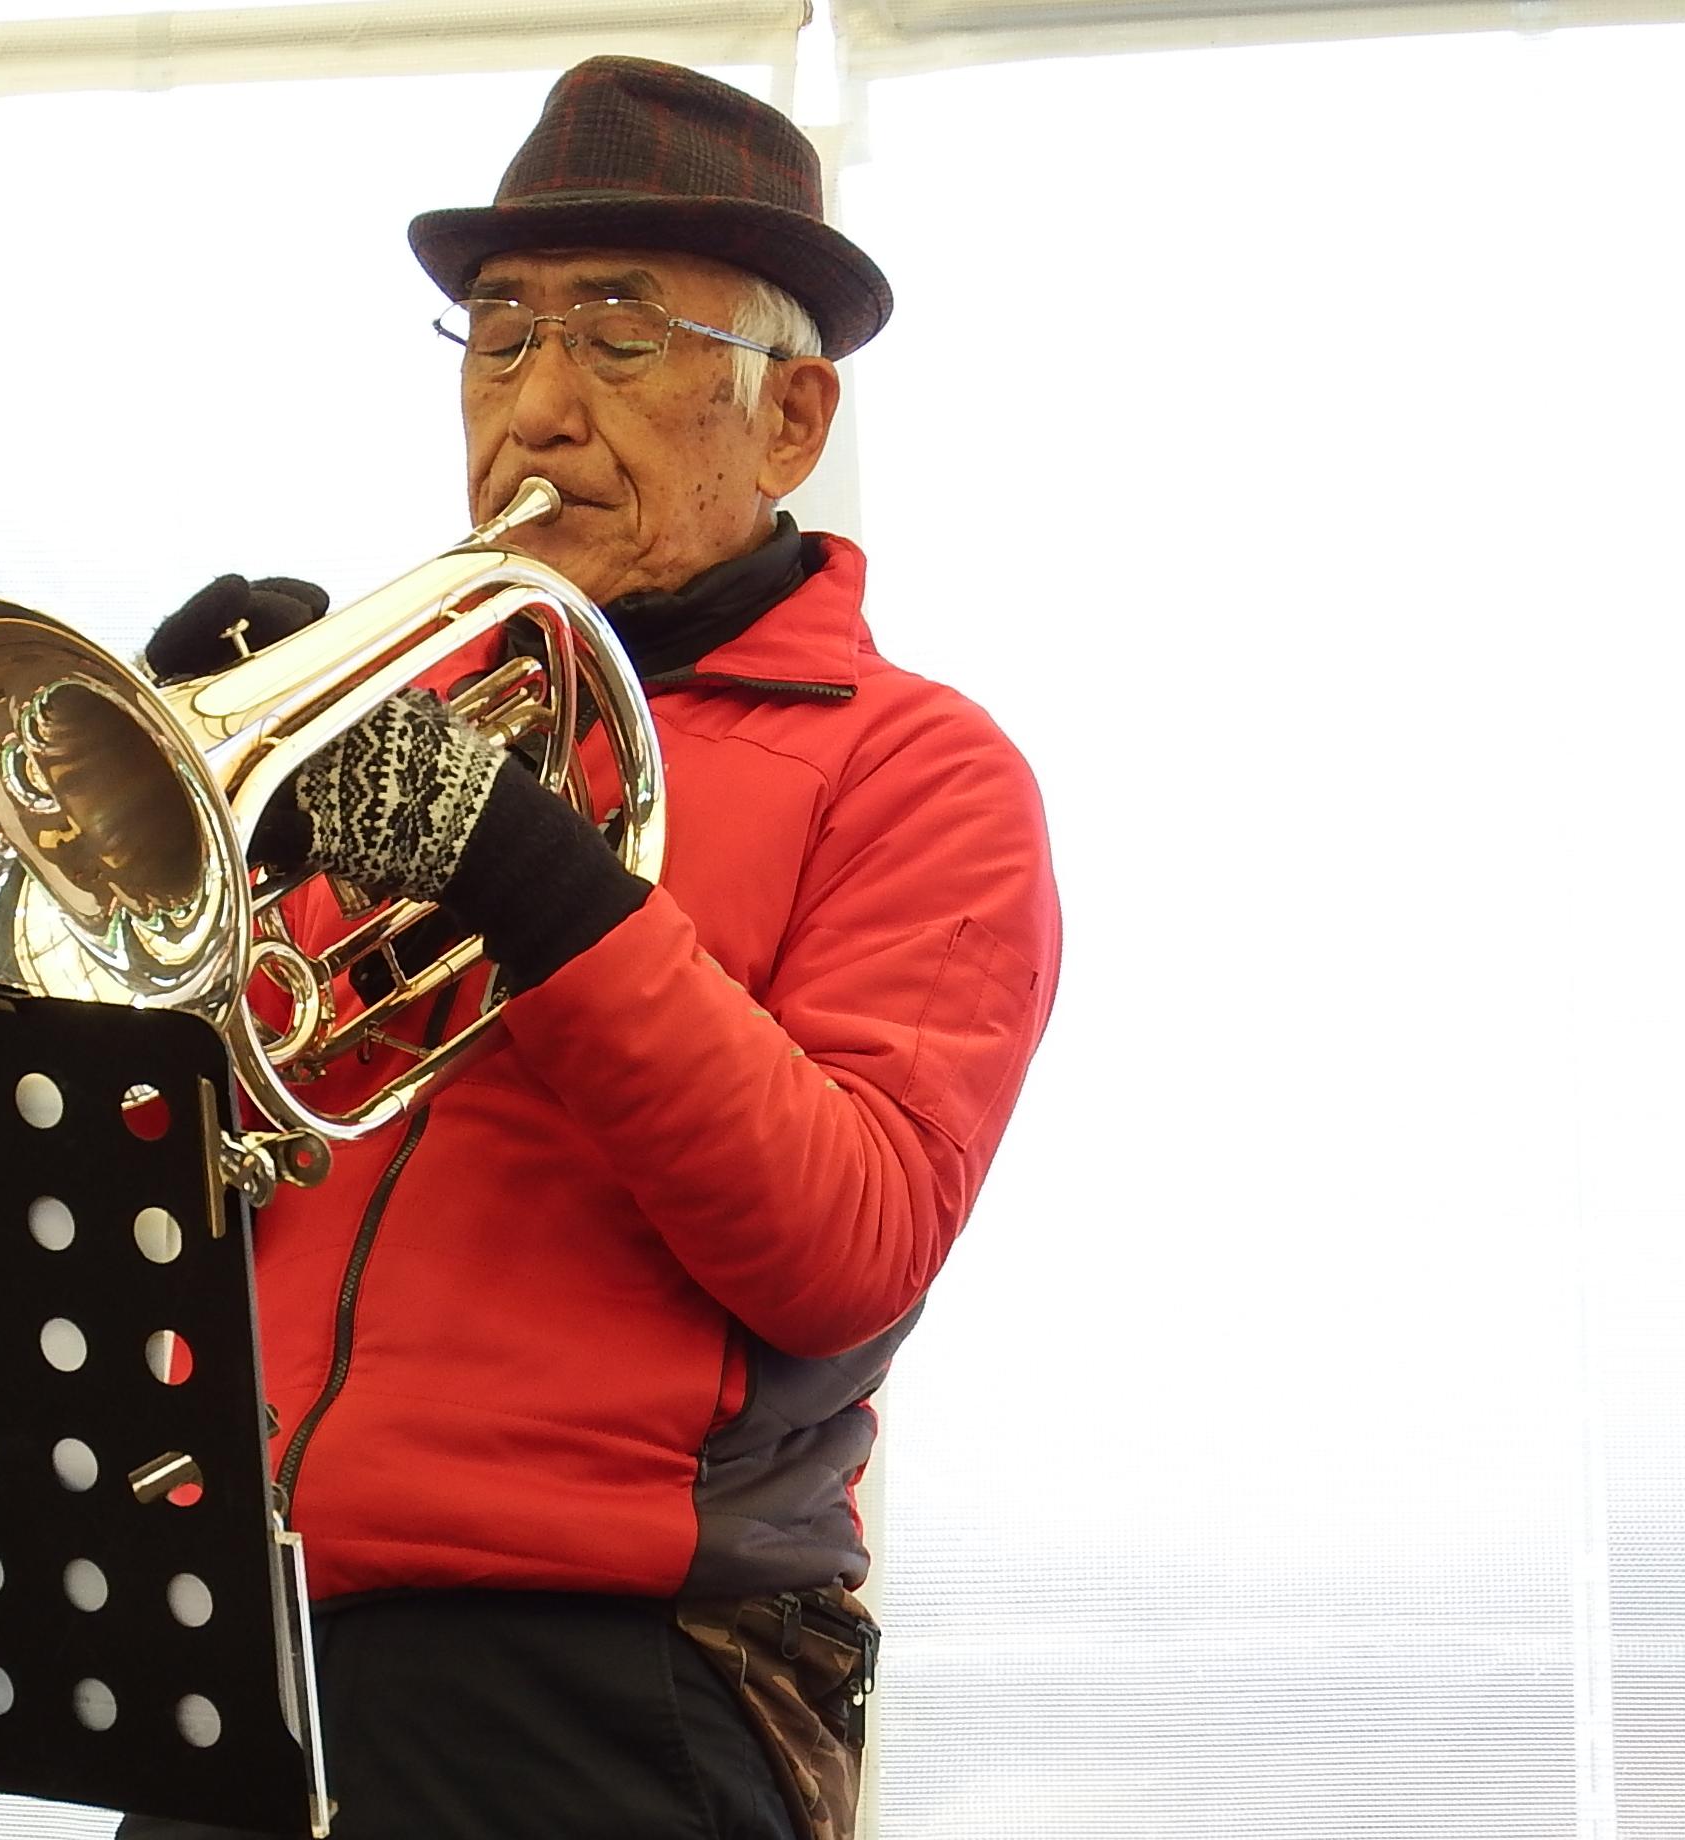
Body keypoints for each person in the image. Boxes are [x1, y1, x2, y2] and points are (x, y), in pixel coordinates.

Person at [121, 56, 1061, 1840]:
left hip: (616, 1680)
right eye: (496, 338)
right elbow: (177, 1196)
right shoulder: (404, 734)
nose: (538, 409)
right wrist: (197, 843)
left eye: (620, 341)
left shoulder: (920, 768)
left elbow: (845, 1243)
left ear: (790, 420)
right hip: (243, 1649)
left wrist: (538, 888)